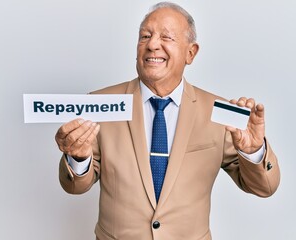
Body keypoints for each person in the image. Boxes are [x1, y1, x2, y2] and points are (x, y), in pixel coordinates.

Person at [55, 2, 280, 240]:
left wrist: (254, 151)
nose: (152, 45)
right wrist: (78, 157)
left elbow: (264, 187)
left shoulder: (219, 114)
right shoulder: (99, 104)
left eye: (166, 37)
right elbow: (74, 186)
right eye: (145, 36)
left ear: (190, 53)